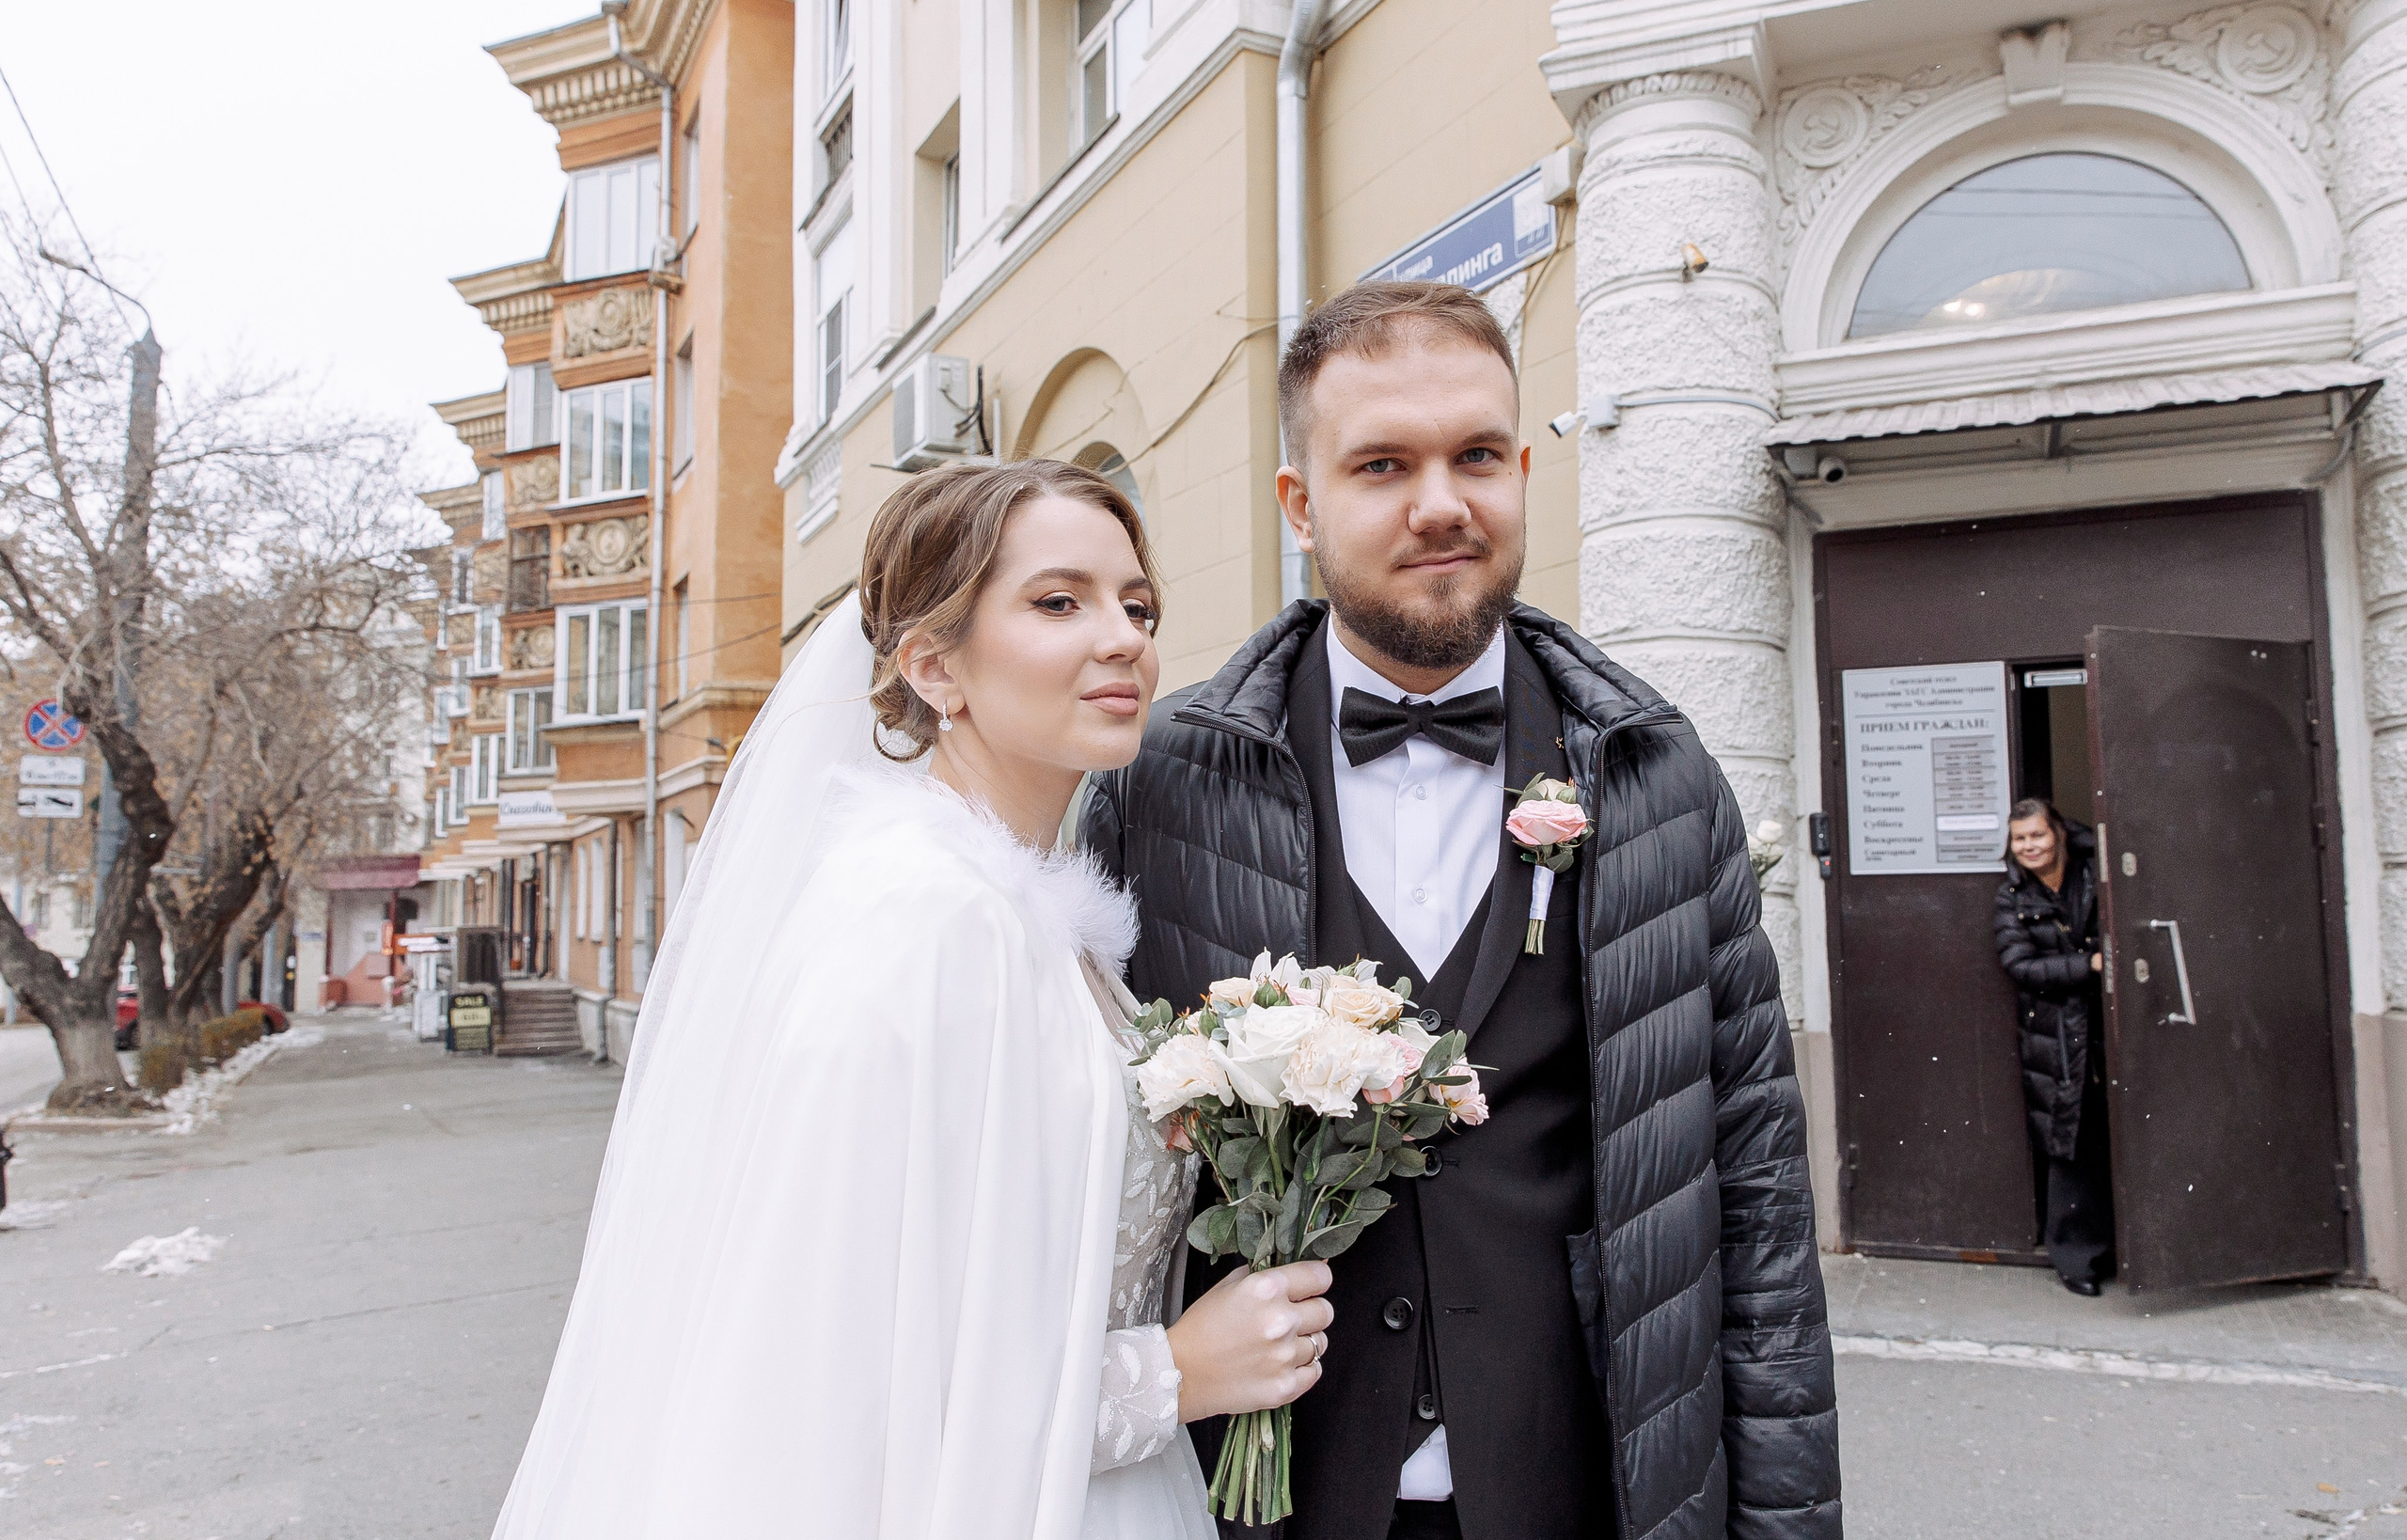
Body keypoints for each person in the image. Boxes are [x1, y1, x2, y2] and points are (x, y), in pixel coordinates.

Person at [1083, 283, 1841, 1540]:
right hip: (1258, 1499)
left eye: (1477, 455)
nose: (1443, 502)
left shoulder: (1659, 776)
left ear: (1526, 470)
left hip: (1585, 1485)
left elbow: (1757, 1207)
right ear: (1302, 504)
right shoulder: (1161, 789)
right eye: (1383, 463)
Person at [491, 461, 1334, 1540]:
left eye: (1138, 604)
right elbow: (840, 1367)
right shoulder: (922, 922)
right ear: (933, 665)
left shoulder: (1038, 919)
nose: (1125, 635)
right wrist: (1171, 1371)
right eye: (1057, 601)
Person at [1992, 797, 2115, 1296]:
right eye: (2020, 839)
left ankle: (2121, 1249)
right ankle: (2076, 1261)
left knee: (2115, 1131)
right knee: (2070, 1141)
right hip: (2057, 1037)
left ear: (2058, 834)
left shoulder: (2091, 872)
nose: (2029, 847)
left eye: (2038, 835)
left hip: (2106, 1027)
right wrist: (2087, 967)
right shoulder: (2012, 897)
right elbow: (2020, 966)